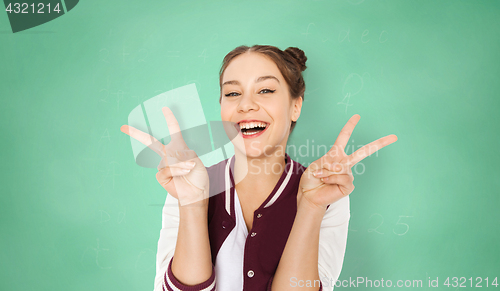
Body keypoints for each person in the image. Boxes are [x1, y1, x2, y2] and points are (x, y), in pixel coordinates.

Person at [120, 45, 398, 291]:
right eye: (232, 93)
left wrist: (311, 207)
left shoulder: (328, 193)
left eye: (265, 90)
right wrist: (192, 204)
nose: (246, 105)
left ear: (295, 107)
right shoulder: (186, 184)